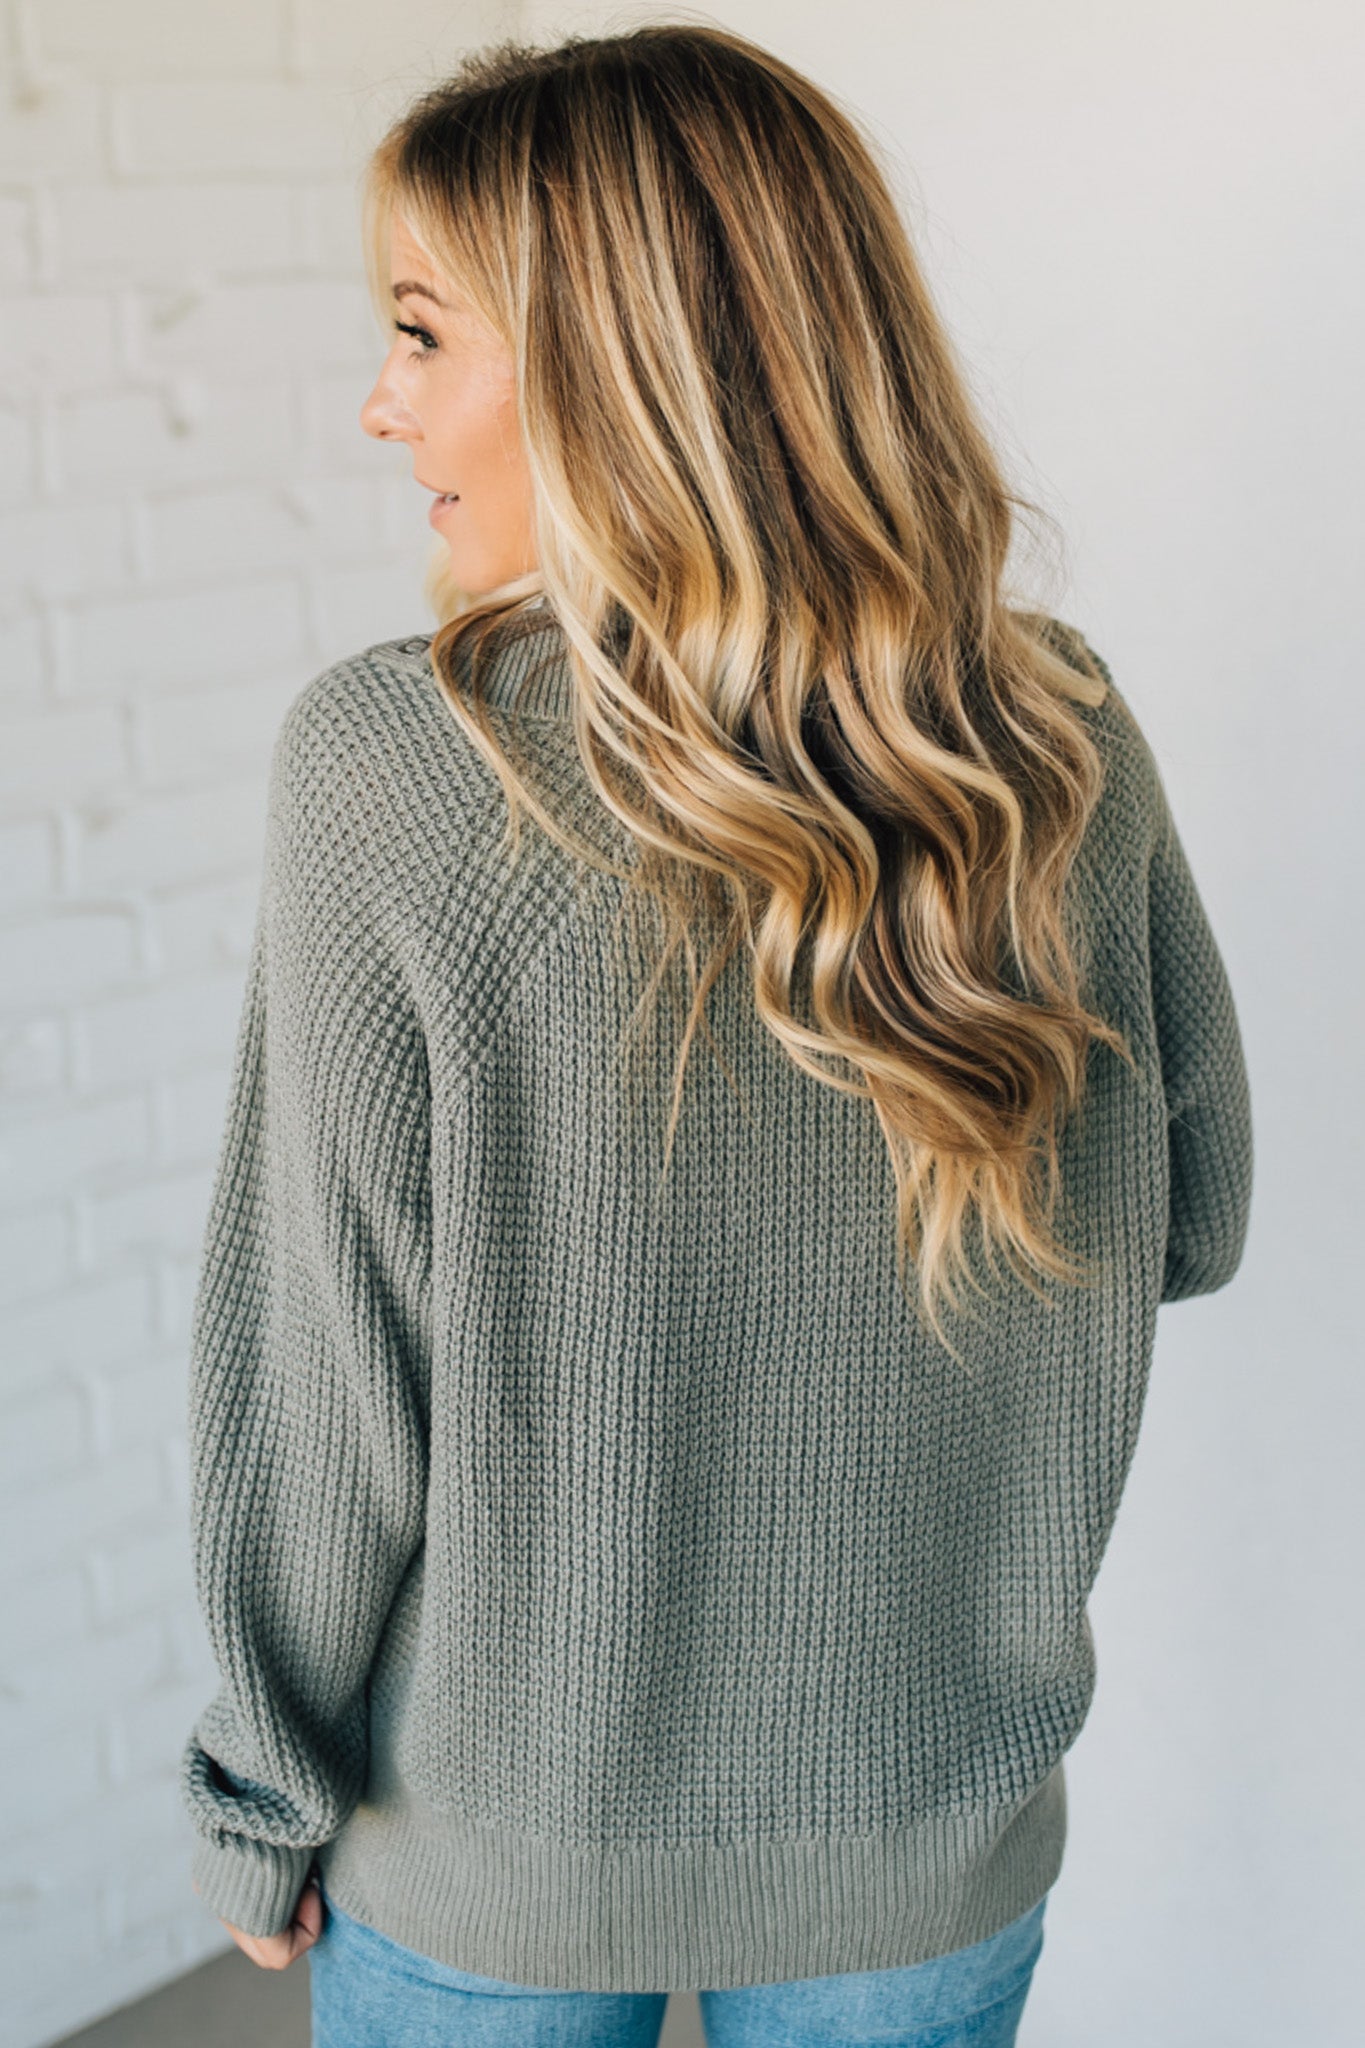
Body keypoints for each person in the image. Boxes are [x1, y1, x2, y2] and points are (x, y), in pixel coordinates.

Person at [177, 22, 1254, 2047]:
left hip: (487, 1854)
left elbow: (324, 1384)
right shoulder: (1047, 738)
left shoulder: (395, 766)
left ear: (615, 368)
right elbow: (1182, 1220)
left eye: (421, 333)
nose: (375, 402)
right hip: (924, 1832)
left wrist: (260, 1799)